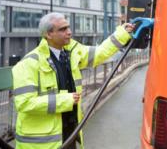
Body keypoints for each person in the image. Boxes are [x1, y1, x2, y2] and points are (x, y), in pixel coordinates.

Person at [11, 12, 135, 149]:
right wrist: (65, 100)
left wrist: (123, 33)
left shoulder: (71, 52)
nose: (69, 32)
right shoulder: (28, 64)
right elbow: (24, 103)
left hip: (69, 133)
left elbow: (100, 52)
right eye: (63, 29)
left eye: (68, 28)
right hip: (41, 144)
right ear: (48, 34)